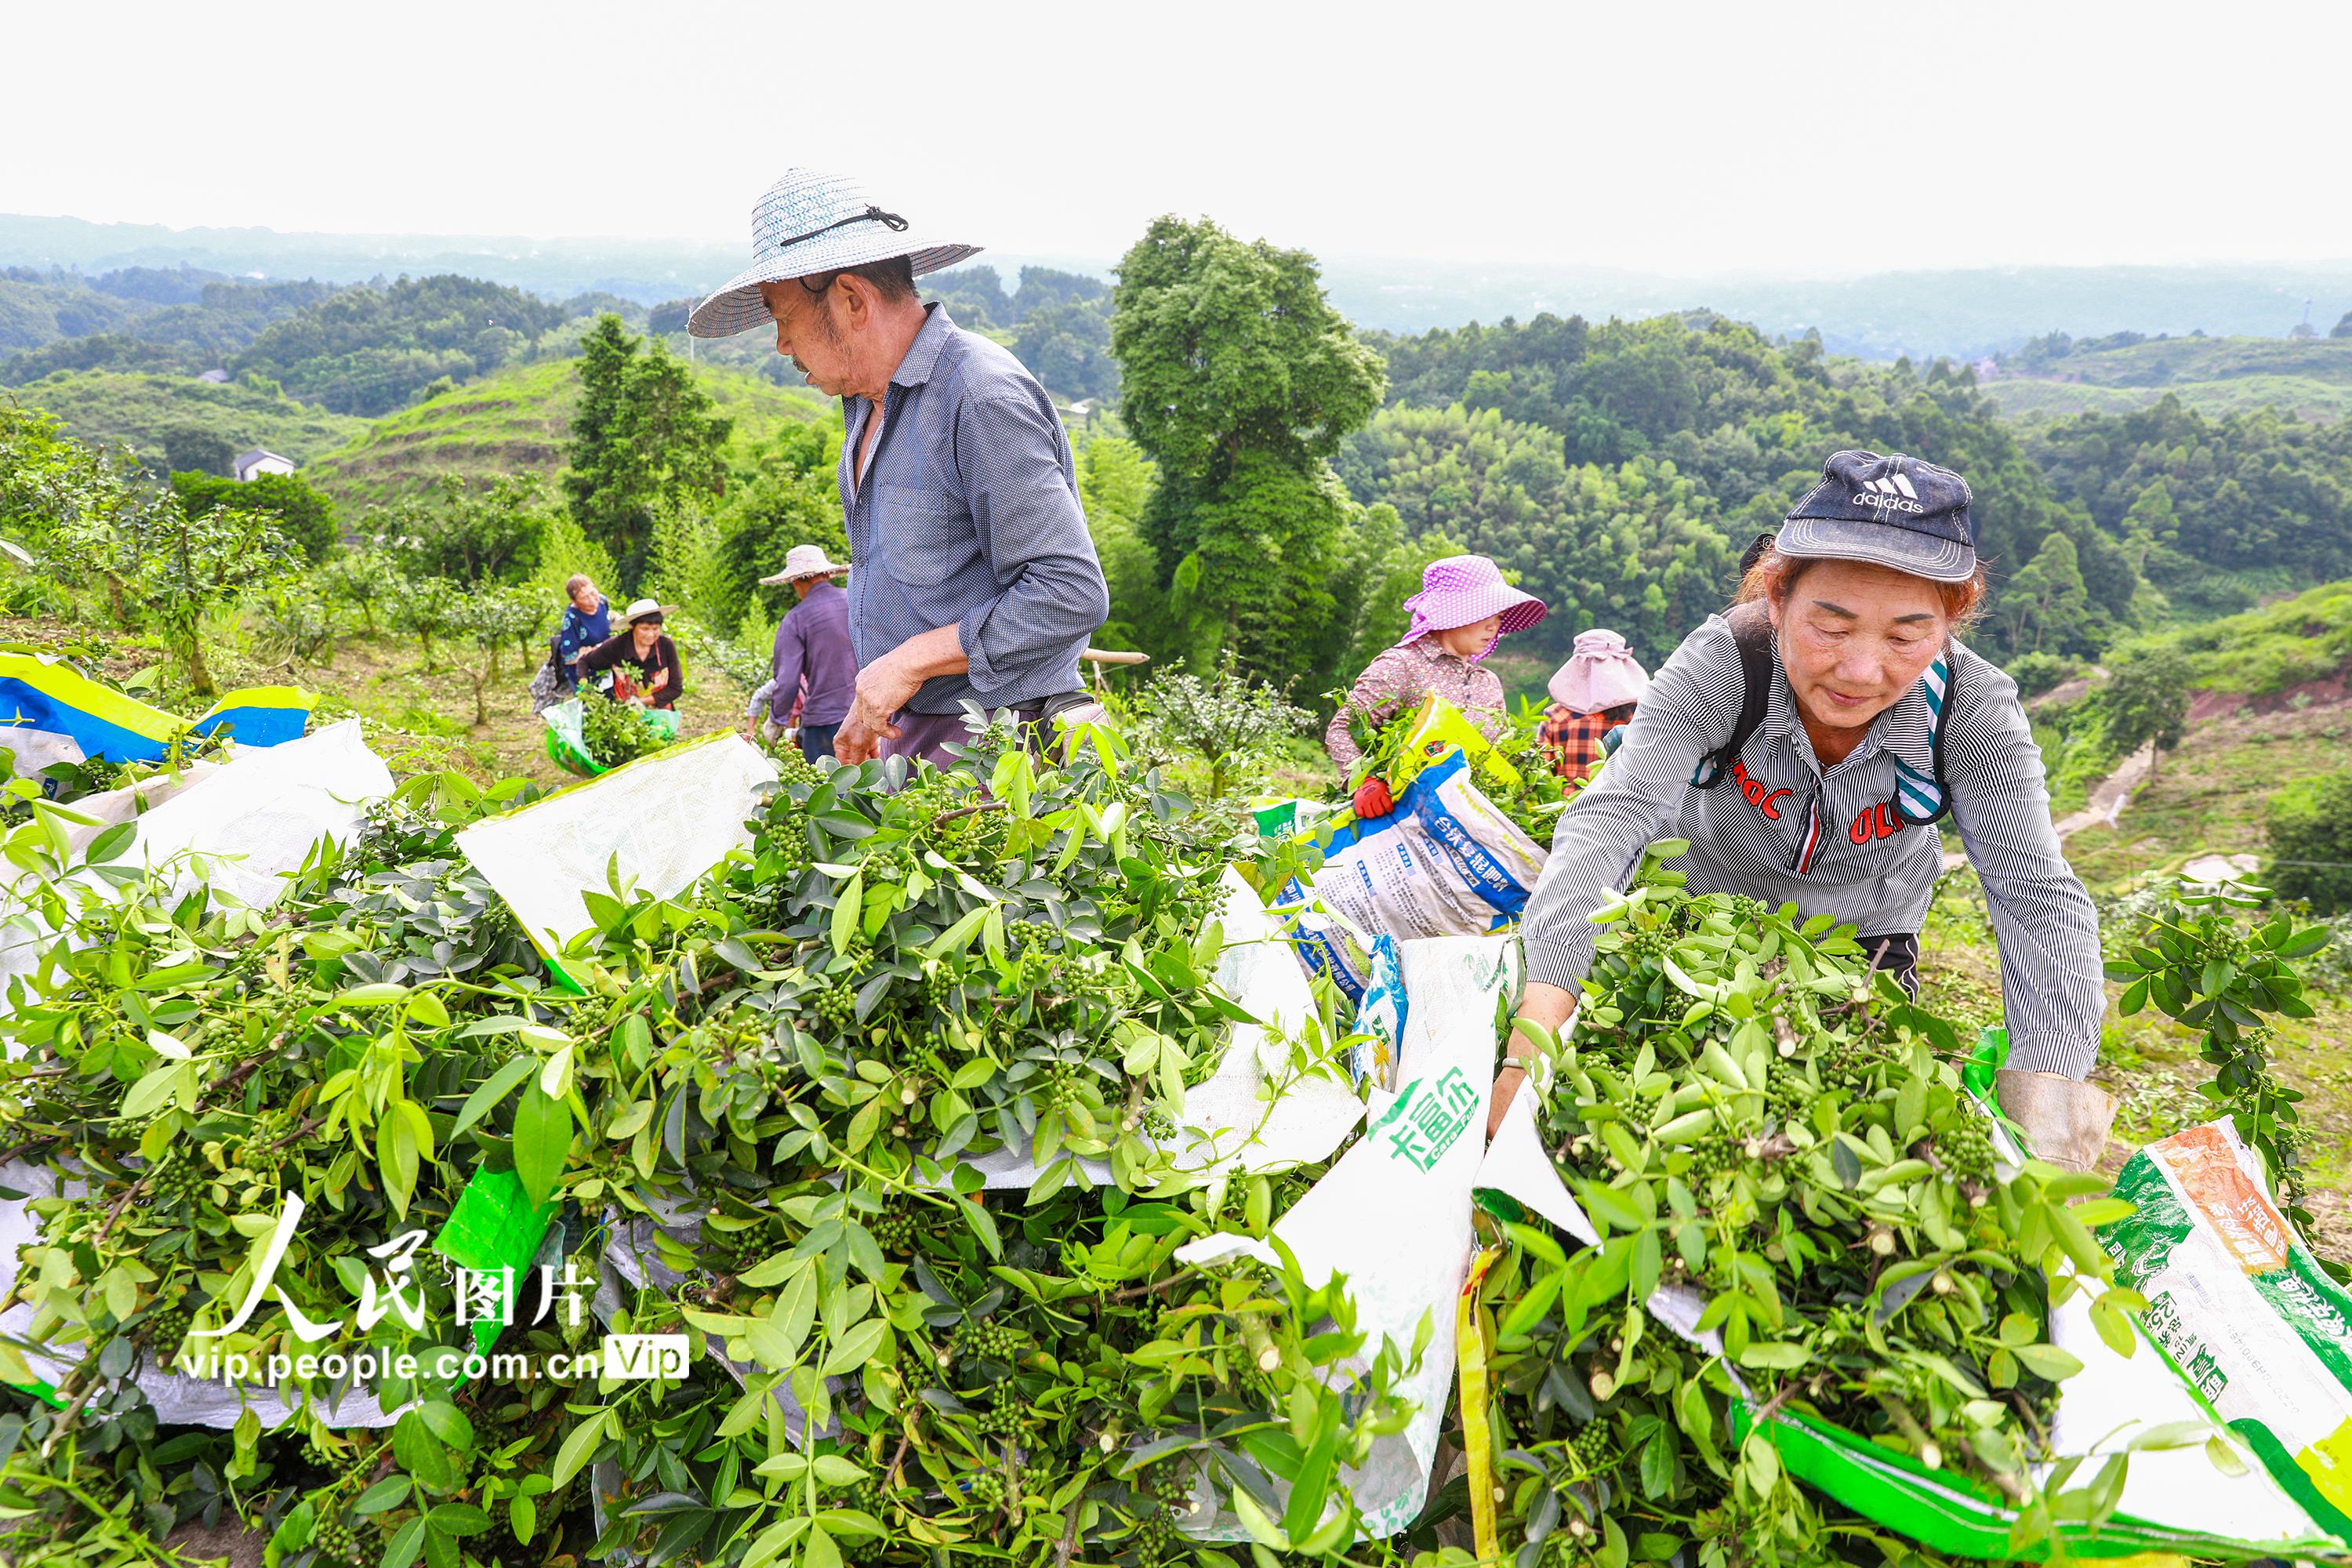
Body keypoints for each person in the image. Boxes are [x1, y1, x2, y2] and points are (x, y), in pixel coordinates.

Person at [1490, 451, 2116, 1173]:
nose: (1859, 670)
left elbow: (2037, 897)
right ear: (1779, 597)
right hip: (1690, 927)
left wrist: (2046, 1134)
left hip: (1859, 951)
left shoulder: (1973, 711)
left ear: (1950, 624)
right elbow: (1612, 819)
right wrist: (1529, 1054)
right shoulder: (1725, 664)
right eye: (1831, 625)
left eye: (1907, 636)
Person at [687, 168, 1109, 768]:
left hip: (997, 747)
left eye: (783, 318)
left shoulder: (979, 398)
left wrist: (908, 662)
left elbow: (1070, 594)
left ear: (852, 299)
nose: (781, 344)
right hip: (914, 737)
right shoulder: (864, 400)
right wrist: (873, 697)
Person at [1325, 554, 1547, 784]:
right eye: (1484, 613)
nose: (1493, 626)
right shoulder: (1401, 666)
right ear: (1452, 610)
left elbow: (1499, 753)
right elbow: (1342, 730)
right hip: (1404, 813)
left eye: (1499, 616)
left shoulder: (1488, 682)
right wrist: (1364, 783)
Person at [756, 543, 857, 764]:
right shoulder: (855, 600)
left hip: (825, 723)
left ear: (796, 582)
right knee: (870, 788)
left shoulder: (796, 619)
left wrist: (777, 719)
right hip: (868, 713)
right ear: (828, 574)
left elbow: (788, 680)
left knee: (827, 790)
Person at [1540, 630, 1649, 786]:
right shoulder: (1643, 714)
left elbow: (1541, 775)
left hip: (1567, 808)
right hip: (1625, 807)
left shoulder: (1556, 716)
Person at [576, 599, 684, 710]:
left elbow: (676, 687)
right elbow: (584, 662)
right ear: (632, 627)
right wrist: (584, 683)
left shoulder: (665, 645)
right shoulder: (616, 645)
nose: (651, 634)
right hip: (624, 711)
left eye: (655, 629)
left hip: (660, 711)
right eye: (645, 629)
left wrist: (641, 702)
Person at [553, 575, 611, 693]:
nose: (592, 599)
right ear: (574, 601)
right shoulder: (571, 618)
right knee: (590, 707)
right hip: (585, 674)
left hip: (607, 668)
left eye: (593, 593)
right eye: (584, 598)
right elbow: (569, 657)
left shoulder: (603, 601)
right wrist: (595, 650)